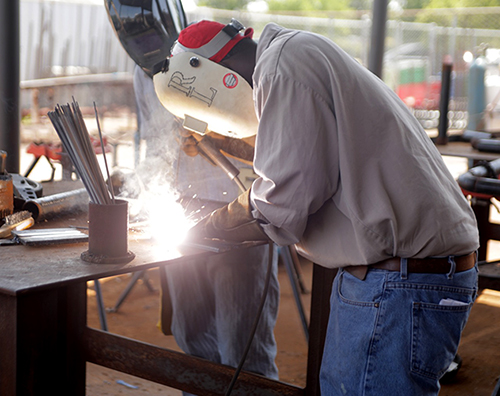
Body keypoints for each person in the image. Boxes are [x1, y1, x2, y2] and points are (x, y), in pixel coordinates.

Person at [166, 20, 480, 395]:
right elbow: (312, 153)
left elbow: (280, 200)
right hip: (403, 277)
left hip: (397, 284)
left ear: (214, 74)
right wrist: (224, 142)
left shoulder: (281, 69)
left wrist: (207, 225)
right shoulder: (295, 53)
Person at [132, 63, 280, 389]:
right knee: (192, 334)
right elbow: (150, 138)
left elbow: (270, 146)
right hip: (182, 208)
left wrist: (216, 138)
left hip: (239, 210)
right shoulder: (140, 71)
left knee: (242, 347)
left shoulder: (218, 61)